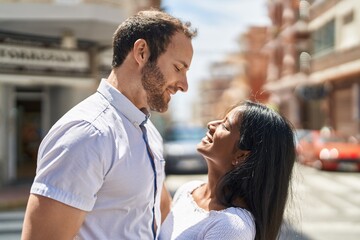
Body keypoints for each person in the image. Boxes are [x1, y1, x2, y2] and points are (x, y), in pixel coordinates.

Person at [21, 9, 197, 240]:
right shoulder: (87, 133)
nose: (184, 85)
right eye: (178, 68)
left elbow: (160, 213)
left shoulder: (148, 132)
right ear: (142, 52)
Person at [159, 101, 296, 240]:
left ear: (241, 155)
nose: (211, 124)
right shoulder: (188, 190)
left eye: (225, 126)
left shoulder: (232, 227)